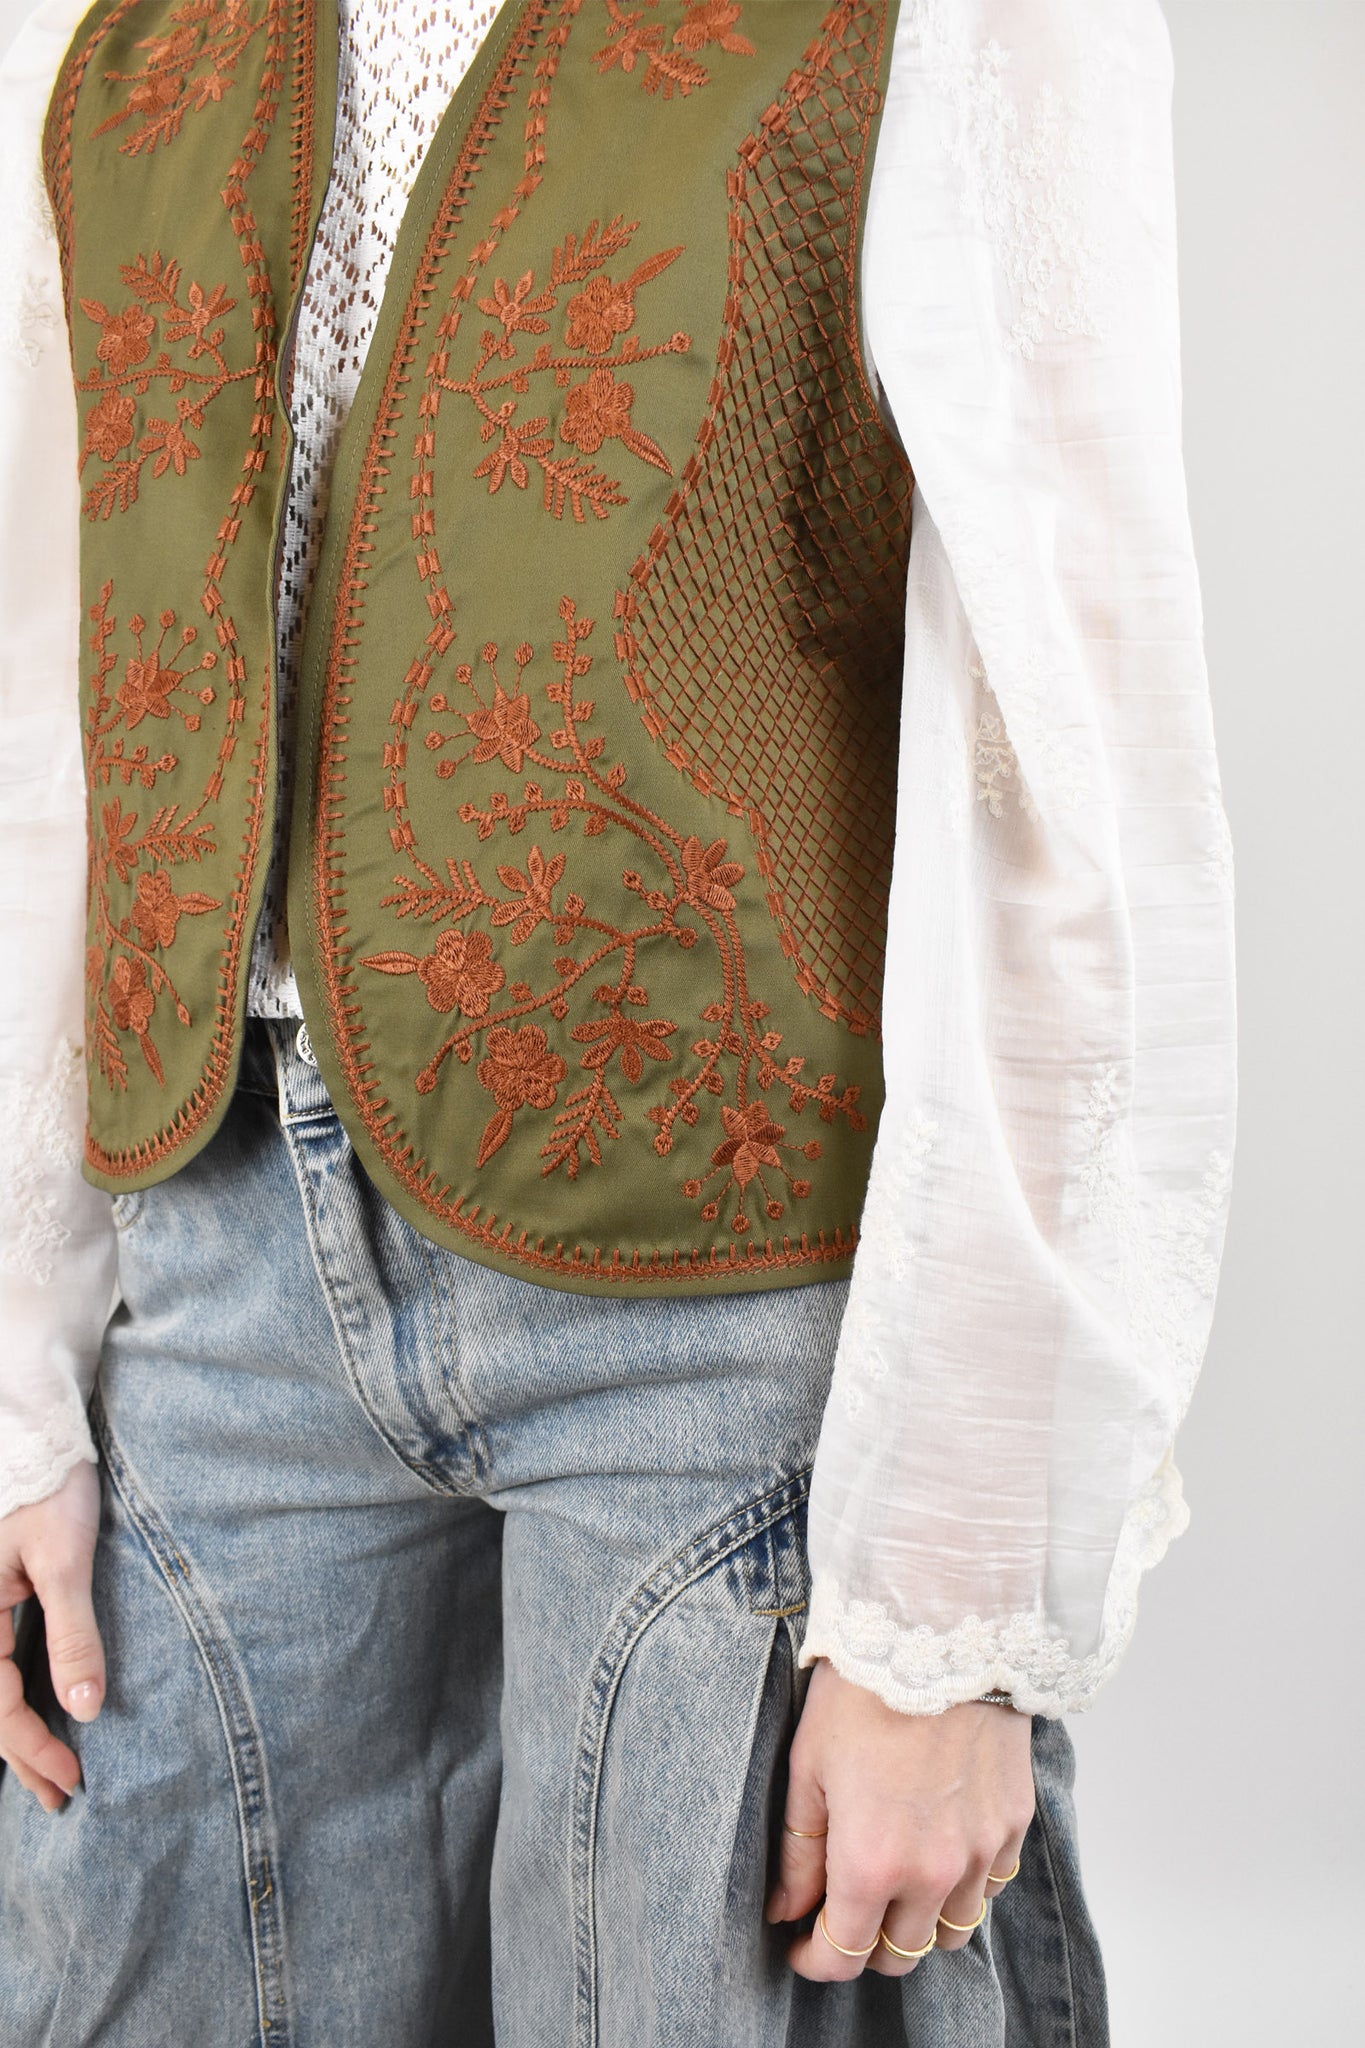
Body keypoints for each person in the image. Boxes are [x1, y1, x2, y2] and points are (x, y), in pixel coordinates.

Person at [0, 0, 1237, 2040]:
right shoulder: (112, 37)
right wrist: (23, 1382)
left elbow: (1059, 729)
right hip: (209, 1258)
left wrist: (950, 1601)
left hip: (723, 1297)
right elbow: (55, 697)